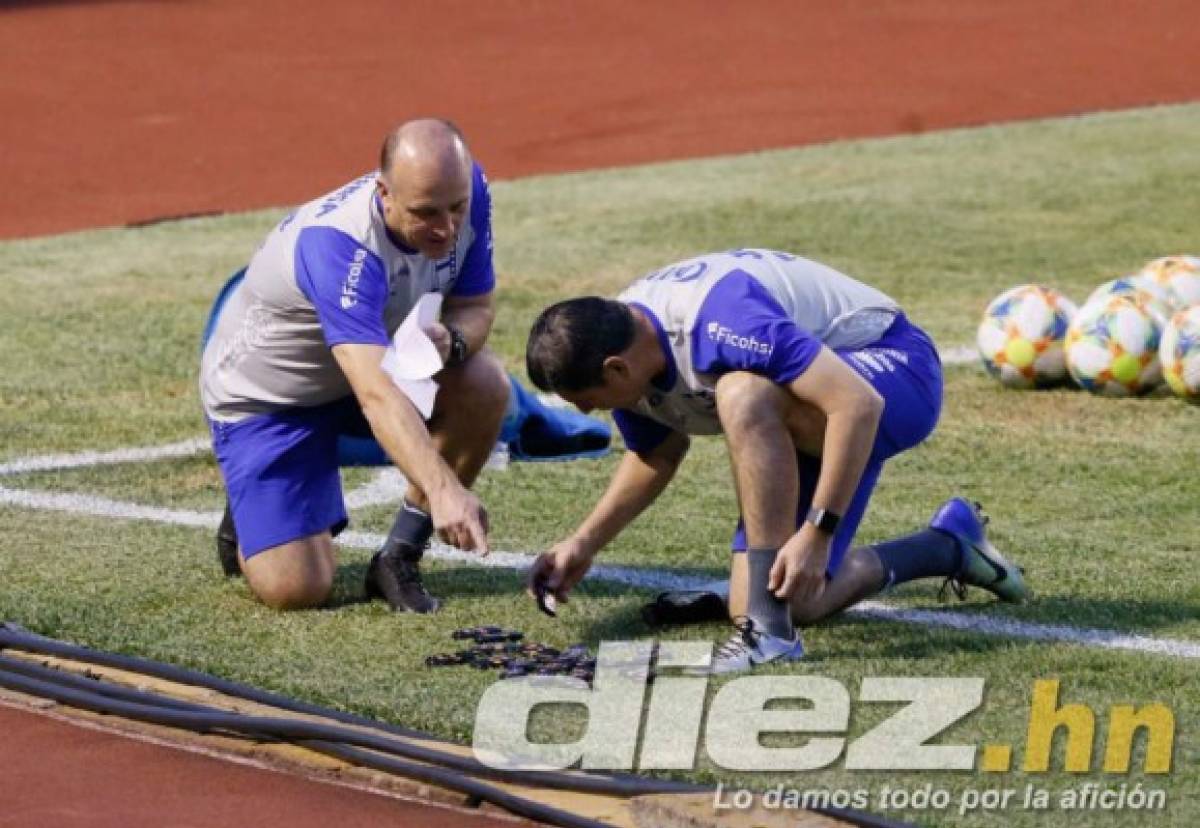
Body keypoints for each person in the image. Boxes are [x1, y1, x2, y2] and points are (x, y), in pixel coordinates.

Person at [524, 248, 1028, 673]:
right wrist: (583, 543)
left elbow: (857, 405)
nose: (588, 412)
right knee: (800, 603)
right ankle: (948, 546)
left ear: (616, 368)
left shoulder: (719, 319)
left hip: (895, 371)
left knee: (742, 392)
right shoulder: (628, 342)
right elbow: (656, 453)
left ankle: (768, 633)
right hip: (818, 408)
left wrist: (817, 532)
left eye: (585, 398)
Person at [200, 118, 509, 613]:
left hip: (364, 370)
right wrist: (444, 489)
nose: (446, 228)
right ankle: (251, 508)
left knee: (485, 383)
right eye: (425, 213)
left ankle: (398, 558)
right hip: (271, 404)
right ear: (384, 192)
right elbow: (375, 394)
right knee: (297, 590)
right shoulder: (339, 247)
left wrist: (451, 343)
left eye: (456, 209)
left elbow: (476, 307)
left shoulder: (467, 187)